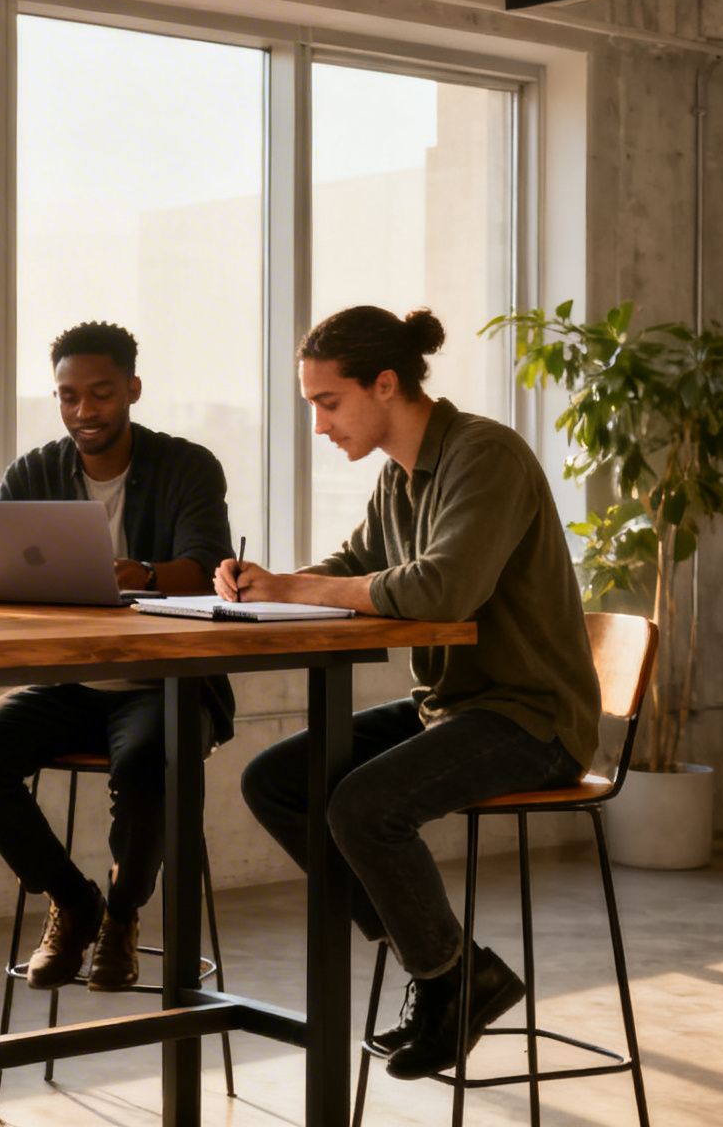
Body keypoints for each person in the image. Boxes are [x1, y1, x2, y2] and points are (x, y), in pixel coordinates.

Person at [224, 305, 600, 1079]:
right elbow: (353, 565)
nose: (321, 426)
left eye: (329, 403)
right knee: (277, 783)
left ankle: (444, 979)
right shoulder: (399, 480)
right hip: (456, 708)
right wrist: (266, 584)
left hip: (532, 718)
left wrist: (300, 586)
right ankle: (455, 973)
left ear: (385, 385)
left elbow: (442, 588)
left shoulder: (483, 454)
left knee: (364, 806)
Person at [0, 321, 233, 993]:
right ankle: (75, 902)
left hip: (168, 685)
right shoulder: (36, 471)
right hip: (71, 684)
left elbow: (208, 565)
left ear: (131, 388)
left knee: (145, 765)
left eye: (100, 393)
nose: (84, 411)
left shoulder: (187, 464)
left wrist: (146, 574)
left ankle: (124, 916)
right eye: (69, 396)